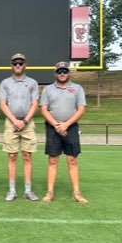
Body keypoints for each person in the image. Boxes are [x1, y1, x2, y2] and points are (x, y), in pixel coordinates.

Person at [40, 61, 88, 204]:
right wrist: (56, 124)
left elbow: (81, 108)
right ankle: (50, 192)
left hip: (71, 127)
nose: (62, 74)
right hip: (52, 127)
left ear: (69, 72)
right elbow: (43, 108)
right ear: (55, 73)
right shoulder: (48, 89)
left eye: (65, 71)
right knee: (53, 160)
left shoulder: (77, 88)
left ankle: (77, 193)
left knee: (72, 160)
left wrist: (66, 124)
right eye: (59, 71)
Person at [0, 53, 40, 201]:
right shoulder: (5, 83)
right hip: (11, 123)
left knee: (27, 156)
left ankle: (28, 190)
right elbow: (3, 104)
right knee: (12, 156)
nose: (18, 66)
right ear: (11, 65)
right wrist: (15, 121)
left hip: (28, 124)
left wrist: (25, 120)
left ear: (25, 65)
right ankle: (12, 190)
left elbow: (34, 103)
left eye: (20, 63)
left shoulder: (33, 83)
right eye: (15, 63)